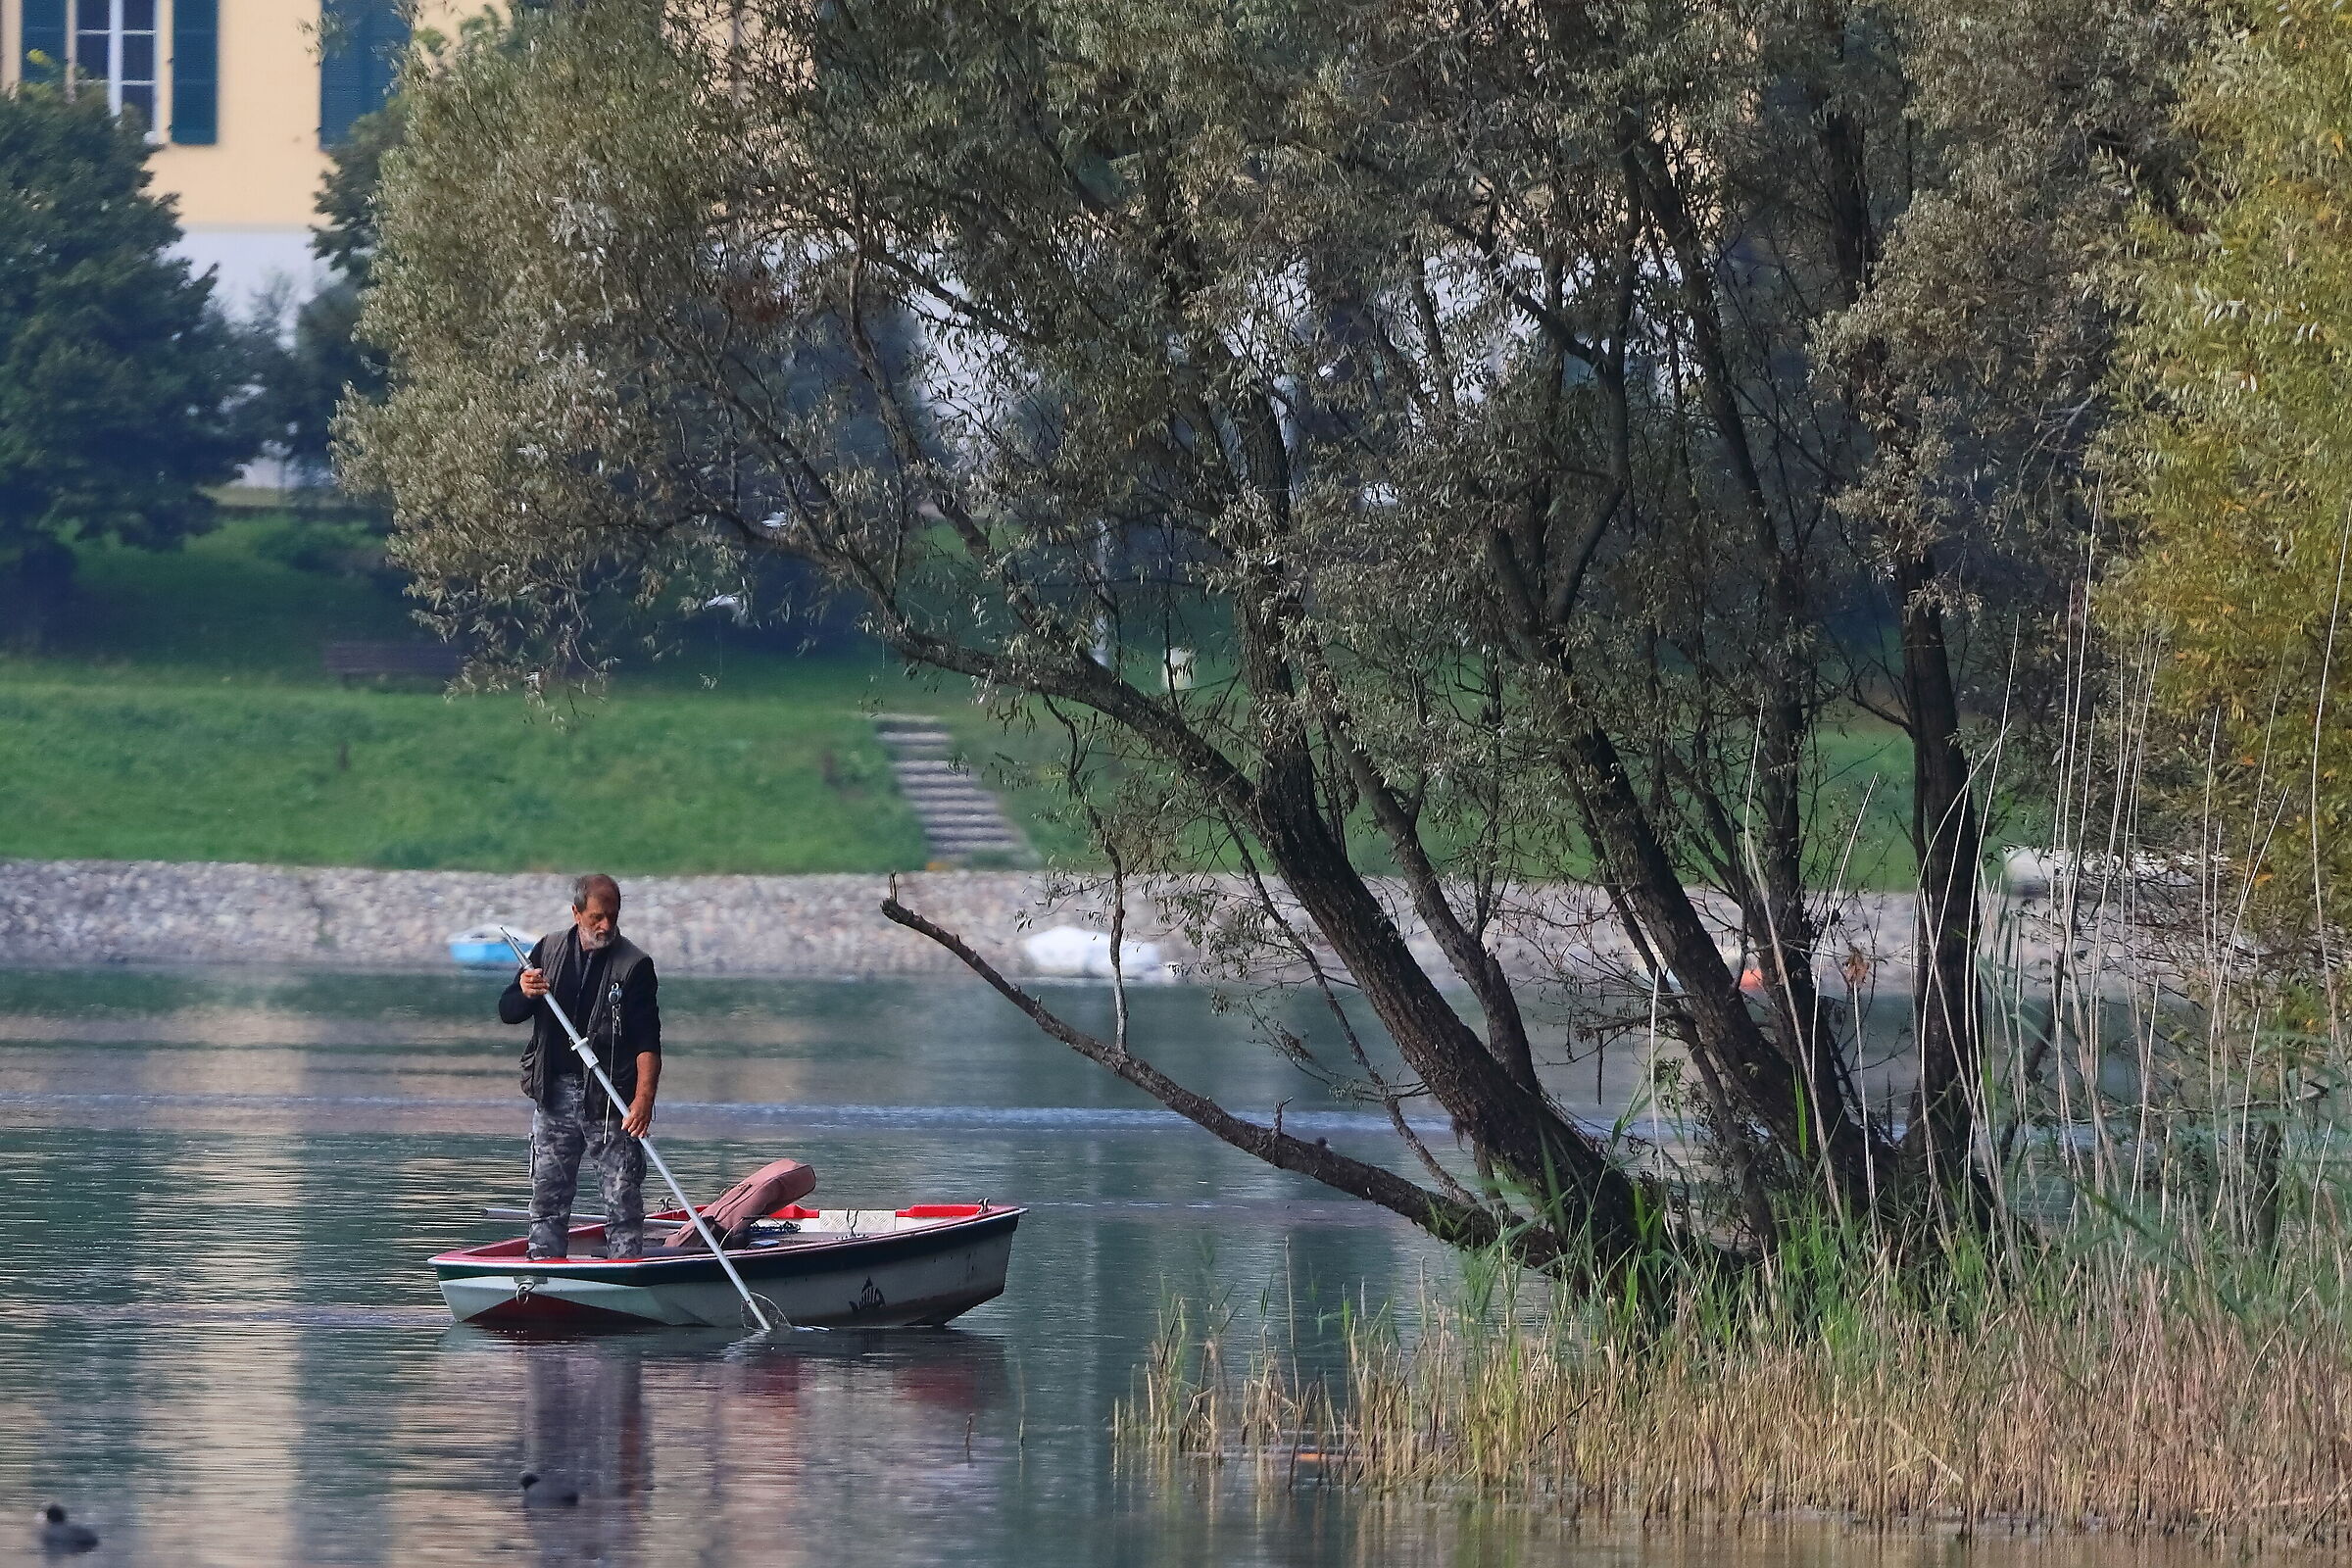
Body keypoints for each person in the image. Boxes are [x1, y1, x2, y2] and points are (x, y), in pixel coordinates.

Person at [499, 873, 662, 1259]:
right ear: (576, 913)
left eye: (612, 916)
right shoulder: (548, 951)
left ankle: (627, 1271)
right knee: (547, 1196)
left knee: (621, 1196)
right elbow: (508, 1011)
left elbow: (648, 1041)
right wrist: (523, 991)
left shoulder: (635, 965)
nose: (606, 925)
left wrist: (643, 1100)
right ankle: (543, 1269)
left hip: (609, 1100)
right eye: (596, 917)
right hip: (553, 1094)